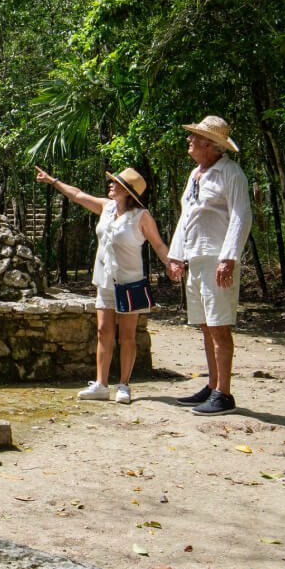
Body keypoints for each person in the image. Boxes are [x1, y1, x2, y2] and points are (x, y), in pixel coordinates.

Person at [35, 164, 170, 404]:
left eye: (115, 183)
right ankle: (101, 384)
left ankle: (124, 385)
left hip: (130, 282)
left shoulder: (141, 216)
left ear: (128, 191)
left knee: (127, 336)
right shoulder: (106, 208)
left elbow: (158, 244)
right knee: (103, 332)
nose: (110, 185)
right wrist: (52, 180)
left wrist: (171, 264)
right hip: (106, 280)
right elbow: (76, 195)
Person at [166, 115, 253, 415]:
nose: (189, 141)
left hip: (218, 258)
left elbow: (241, 216)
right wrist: (176, 255)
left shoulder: (231, 173)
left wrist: (229, 257)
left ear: (210, 144)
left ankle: (224, 394)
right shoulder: (195, 175)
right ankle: (213, 385)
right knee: (205, 326)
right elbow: (186, 215)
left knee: (219, 326)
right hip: (197, 258)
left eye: (194, 137)